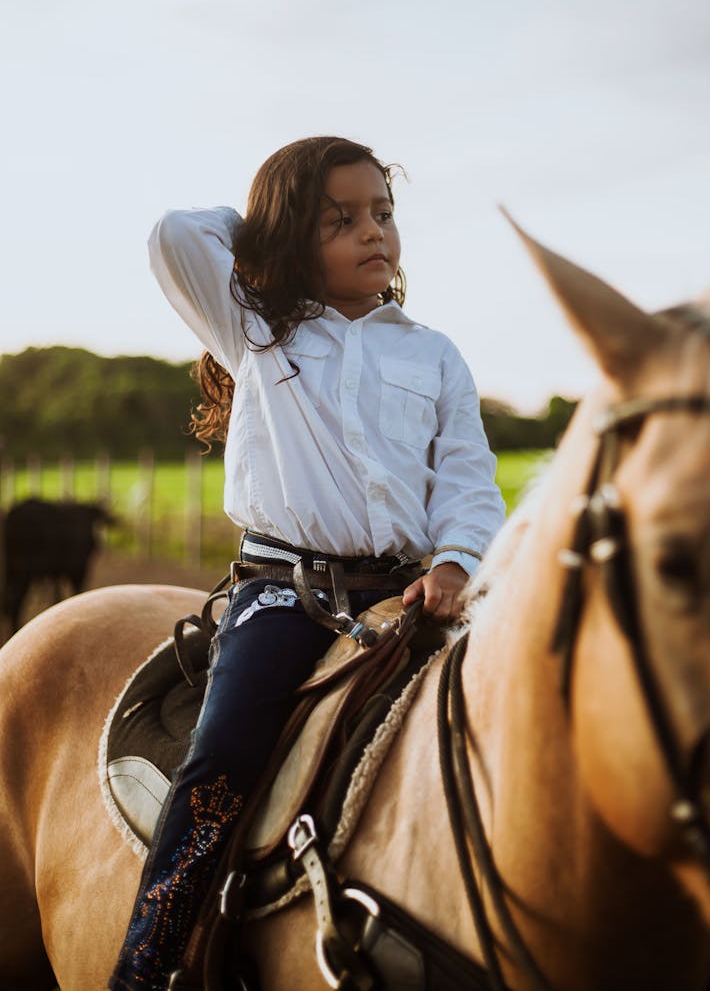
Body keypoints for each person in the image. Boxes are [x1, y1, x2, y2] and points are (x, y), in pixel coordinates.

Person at [109, 136, 505, 990]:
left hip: (410, 592)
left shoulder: (434, 354)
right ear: (294, 237)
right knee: (221, 759)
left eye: (383, 214)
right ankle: (148, 963)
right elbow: (174, 237)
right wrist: (261, 230)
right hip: (285, 595)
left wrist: (456, 559)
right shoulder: (257, 326)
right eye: (341, 220)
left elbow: (469, 479)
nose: (374, 233)